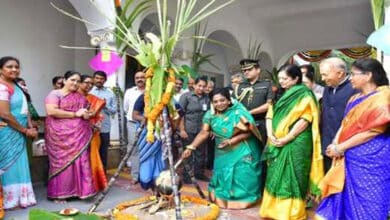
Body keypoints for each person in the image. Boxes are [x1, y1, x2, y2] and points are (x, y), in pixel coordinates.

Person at [315, 58, 390, 219]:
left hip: (372, 159)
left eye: (354, 74)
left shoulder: (382, 97)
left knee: (371, 202)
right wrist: (335, 143)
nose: (350, 78)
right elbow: (345, 122)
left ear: (368, 75)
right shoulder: (354, 98)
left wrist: (341, 147)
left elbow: (374, 131)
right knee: (344, 200)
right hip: (348, 157)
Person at [259, 64, 323, 220]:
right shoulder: (279, 94)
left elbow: (306, 119)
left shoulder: (304, 94)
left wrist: (287, 138)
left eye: (285, 79)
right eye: (280, 78)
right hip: (275, 140)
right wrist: (270, 134)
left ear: (296, 79)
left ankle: (291, 213)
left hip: (296, 142)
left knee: (294, 174)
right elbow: (270, 114)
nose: (281, 81)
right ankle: (272, 210)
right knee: (274, 173)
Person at [181, 87, 263, 209]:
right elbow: (204, 133)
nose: (219, 104)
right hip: (222, 150)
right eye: (216, 101)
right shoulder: (210, 115)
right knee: (223, 174)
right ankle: (223, 199)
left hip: (241, 148)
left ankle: (243, 200)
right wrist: (191, 147)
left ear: (229, 101)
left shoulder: (238, 112)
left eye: (222, 100)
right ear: (212, 103)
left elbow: (249, 132)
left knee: (241, 173)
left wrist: (231, 140)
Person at [45, 71, 96, 202]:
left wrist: (87, 115)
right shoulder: (54, 94)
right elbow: (52, 111)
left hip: (79, 135)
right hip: (59, 136)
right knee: (63, 163)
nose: (75, 83)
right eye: (72, 80)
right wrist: (75, 114)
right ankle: (60, 193)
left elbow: (85, 112)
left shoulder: (80, 97)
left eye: (78, 81)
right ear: (65, 80)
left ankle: (80, 191)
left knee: (81, 160)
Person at [0, 56, 37, 216]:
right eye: (9, 67)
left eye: (17, 66)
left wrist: (30, 126)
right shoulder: (1, 87)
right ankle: (9, 200)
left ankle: (22, 198)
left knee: (20, 163)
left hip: (20, 130)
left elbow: (25, 109)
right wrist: (24, 130)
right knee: (9, 164)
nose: (14, 69)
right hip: (8, 131)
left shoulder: (17, 85)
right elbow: (5, 114)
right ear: (1, 70)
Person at [319, 57, 357, 172]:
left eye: (325, 75)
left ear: (340, 73)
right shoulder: (327, 89)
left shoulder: (354, 89)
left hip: (345, 145)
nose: (322, 78)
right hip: (327, 144)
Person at [78, 75, 108, 192]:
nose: (89, 85)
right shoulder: (73, 97)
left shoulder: (95, 99)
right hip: (76, 133)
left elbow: (98, 116)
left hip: (92, 132)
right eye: (86, 83)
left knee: (93, 157)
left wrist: (97, 124)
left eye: (91, 83)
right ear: (80, 83)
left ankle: (93, 184)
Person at [234, 59, 273, 143]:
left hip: (260, 124)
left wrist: (249, 112)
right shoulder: (239, 86)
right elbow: (233, 105)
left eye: (249, 69)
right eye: (244, 70)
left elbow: (269, 105)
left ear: (258, 70)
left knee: (261, 150)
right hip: (242, 123)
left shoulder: (267, 84)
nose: (246, 72)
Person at [179, 76, 210, 181]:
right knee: (188, 153)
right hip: (188, 129)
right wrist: (182, 130)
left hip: (202, 130)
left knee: (201, 153)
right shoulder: (186, 96)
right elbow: (180, 115)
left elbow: (209, 114)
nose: (201, 88)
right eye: (199, 85)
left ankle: (199, 173)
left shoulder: (207, 98)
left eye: (203, 86)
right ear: (194, 85)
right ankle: (187, 175)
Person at [90, 71, 117, 170]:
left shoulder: (110, 94)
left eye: (101, 79)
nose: (99, 80)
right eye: (97, 78)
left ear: (105, 80)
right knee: (91, 150)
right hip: (90, 127)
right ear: (94, 79)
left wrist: (105, 105)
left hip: (104, 127)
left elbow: (114, 110)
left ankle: (102, 173)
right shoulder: (89, 92)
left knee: (103, 150)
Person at [123, 71, 145, 184]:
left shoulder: (151, 91)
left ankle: (146, 174)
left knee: (147, 148)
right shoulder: (130, 92)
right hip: (133, 124)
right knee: (134, 149)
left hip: (149, 126)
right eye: (137, 78)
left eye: (142, 77)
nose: (140, 79)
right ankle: (135, 176)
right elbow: (126, 108)